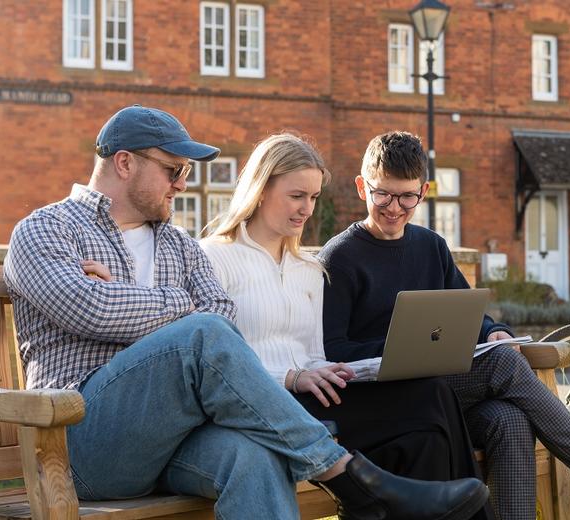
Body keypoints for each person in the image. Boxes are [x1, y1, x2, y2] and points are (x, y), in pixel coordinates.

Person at [2, 106, 489, 520]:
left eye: (185, 173)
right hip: (79, 441)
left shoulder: (178, 246)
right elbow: (92, 309)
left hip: (174, 437)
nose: (181, 185)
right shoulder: (47, 230)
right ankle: (347, 476)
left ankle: (355, 485)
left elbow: (220, 317)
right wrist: (176, 307)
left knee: (256, 456)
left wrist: (129, 300)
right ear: (125, 163)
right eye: (173, 170)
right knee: (201, 332)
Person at [318, 131, 570, 520]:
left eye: (407, 197)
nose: (394, 207)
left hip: (439, 394)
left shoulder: (430, 246)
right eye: (382, 194)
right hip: (383, 399)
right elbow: (332, 349)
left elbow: (466, 314)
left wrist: (493, 332)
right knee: (503, 365)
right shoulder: (340, 257)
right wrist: (399, 352)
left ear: (423, 192)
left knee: (509, 419)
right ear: (361, 186)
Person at [200, 132, 493, 519]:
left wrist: (331, 370)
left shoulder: (308, 269)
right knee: (426, 402)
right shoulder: (214, 258)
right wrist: (291, 376)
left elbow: (317, 352)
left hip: (316, 394)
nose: (306, 209)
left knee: (425, 423)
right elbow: (213, 361)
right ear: (260, 189)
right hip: (265, 403)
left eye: (313, 198)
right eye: (296, 196)